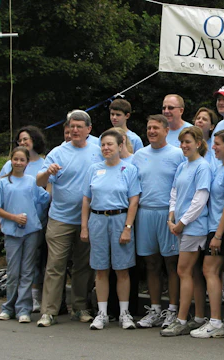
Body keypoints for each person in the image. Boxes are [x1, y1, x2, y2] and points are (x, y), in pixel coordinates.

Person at [35, 109, 103, 327]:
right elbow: (38, 181)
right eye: (71, 126)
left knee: (84, 266)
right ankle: (49, 311)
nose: (74, 130)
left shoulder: (97, 151)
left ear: (88, 130)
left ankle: (80, 307)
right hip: (60, 219)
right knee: (55, 265)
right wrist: (47, 173)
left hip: (88, 219)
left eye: (79, 126)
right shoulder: (58, 152)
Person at [81, 128, 141, 330]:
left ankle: (124, 313)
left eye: (110, 144)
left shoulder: (129, 169)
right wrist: (84, 226)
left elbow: (134, 201)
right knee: (101, 269)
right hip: (97, 220)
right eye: (103, 145)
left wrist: (127, 227)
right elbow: (86, 199)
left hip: (120, 219)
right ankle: (102, 313)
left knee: (122, 269)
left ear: (120, 145)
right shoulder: (94, 169)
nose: (106, 148)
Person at [189, 129, 224, 339]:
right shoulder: (223, 168)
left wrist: (218, 235)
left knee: (209, 270)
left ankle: (215, 322)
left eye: (218, 144)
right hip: (222, 228)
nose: (213, 147)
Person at [132, 115, 186, 329]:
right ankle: (155, 309)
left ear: (166, 130)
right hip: (145, 213)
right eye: (149, 127)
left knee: (171, 263)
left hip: (167, 214)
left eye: (156, 128)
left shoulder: (177, 154)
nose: (152, 131)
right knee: (151, 263)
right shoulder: (139, 155)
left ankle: (172, 310)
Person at [0, 146, 51, 323]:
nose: (18, 163)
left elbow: (45, 198)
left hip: (31, 231)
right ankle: (9, 307)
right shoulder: (2, 182)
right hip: (11, 232)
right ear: (11, 160)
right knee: (14, 271)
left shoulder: (31, 181)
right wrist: (13, 217)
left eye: (22, 160)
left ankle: (24, 308)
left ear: (27, 163)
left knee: (28, 270)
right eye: (15, 159)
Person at [160, 126, 212, 336]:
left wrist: (182, 222)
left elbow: (200, 199)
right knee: (194, 273)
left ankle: (181, 319)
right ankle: (199, 317)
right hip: (181, 225)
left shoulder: (203, 167)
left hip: (195, 227)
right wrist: (172, 216)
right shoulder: (183, 166)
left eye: (188, 142)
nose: (183, 146)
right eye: (182, 142)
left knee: (183, 270)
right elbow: (174, 192)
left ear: (198, 143)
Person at [192, 107, 220, 172]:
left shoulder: (214, 145)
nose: (200, 121)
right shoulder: (188, 144)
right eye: (198, 118)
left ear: (211, 127)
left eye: (204, 119)